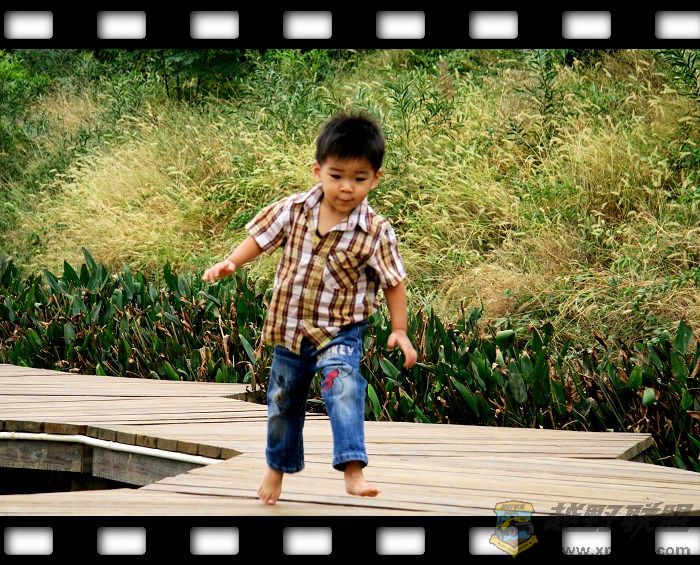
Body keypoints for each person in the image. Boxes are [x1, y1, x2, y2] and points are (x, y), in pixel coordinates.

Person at [202, 111, 417, 505]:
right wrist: (232, 261)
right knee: (283, 402)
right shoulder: (295, 209)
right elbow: (261, 237)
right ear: (318, 171)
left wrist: (399, 329)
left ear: (375, 178)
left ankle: (353, 469)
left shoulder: (375, 231)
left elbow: (393, 280)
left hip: (340, 330)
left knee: (343, 386)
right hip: (290, 328)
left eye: (359, 178)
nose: (346, 187)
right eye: (337, 176)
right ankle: (277, 467)